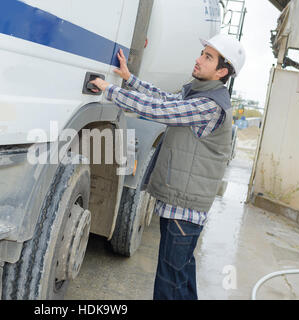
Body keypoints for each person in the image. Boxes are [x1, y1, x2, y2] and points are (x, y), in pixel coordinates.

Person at [90, 34, 246, 300]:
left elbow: (159, 111)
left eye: (208, 57)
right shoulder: (199, 95)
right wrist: (130, 79)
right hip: (182, 207)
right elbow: (165, 99)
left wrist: (110, 89)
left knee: (168, 286)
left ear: (222, 71)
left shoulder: (210, 106)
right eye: (202, 53)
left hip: (184, 211)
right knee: (180, 279)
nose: (198, 59)